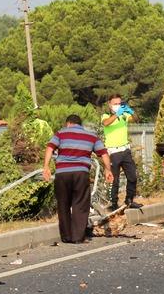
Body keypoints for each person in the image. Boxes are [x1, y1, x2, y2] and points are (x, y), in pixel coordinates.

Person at [43, 114, 113, 243]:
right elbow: (103, 153)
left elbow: (50, 147)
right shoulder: (91, 136)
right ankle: (77, 237)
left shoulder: (60, 133)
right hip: (81, 173)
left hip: (62, 173)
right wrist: (108, 170)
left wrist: (46, 167)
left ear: (68, 123)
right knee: (80, 204)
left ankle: (66, 237)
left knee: (63, 204)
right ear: (80, 124)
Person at [101, 94, 142, 210]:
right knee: (115, 180)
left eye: (119, 103)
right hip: (113, 152)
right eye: (115, 104)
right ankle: (113, 204)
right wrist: (116, 114)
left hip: (125, 150)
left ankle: (129, 200)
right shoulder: (106, 115)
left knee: (133, 176)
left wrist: (131, 111)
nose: (118, 106)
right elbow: (105, 123)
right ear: (110, 104)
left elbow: (136, 119)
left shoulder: (124, 115)